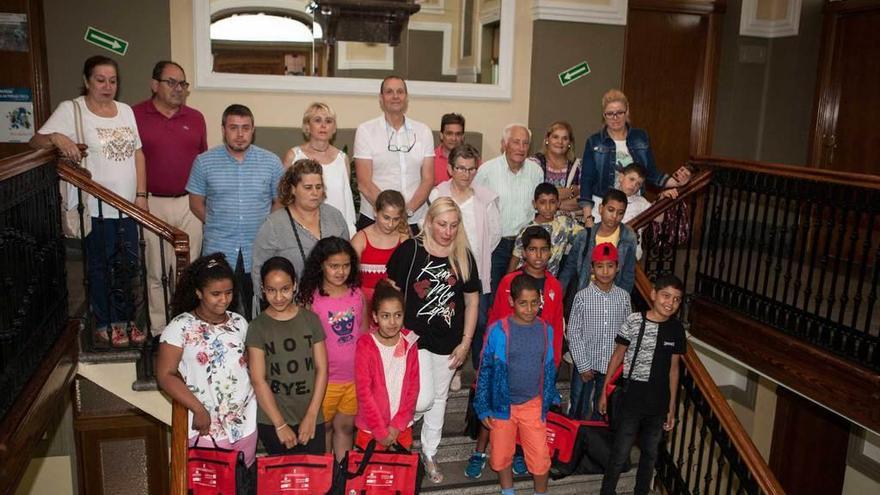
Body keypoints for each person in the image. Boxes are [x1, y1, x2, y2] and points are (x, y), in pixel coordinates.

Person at [31, 55, 147, 348]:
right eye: (100, 80)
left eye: (113, 80)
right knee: (102, 266)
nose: (107, 86)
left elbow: (138, 154)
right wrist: (57, 136)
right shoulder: (72, 110)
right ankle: (107, 322)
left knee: (127, 266)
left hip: (128, 208)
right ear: (86, 81)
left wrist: (141, 196)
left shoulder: (125, 111)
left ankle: (127, 319)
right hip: (95, 206)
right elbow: (35, 141)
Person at [385, 198, 481, 483]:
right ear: (429, 221)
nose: (448, 231)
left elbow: (472, 302)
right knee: (424, 397)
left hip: (450, 340)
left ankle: (429, 452)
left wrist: (466, 342)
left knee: (439, 399)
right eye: (442, 224)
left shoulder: (464, 254)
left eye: (453, 225)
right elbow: (389, 293)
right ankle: (394, 430)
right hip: (414, 338)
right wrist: (391, 333)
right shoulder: (411, 250)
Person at [467, 226, 563, 479]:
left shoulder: (554, 285)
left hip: (534, 365)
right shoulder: (509, 283)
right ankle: (479, 452)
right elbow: (494, 319)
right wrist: (486, 361)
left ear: (550, 252)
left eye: (544, 249)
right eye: (533, 249)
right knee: (496, 410)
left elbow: (554, 328)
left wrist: (551, 371)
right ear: (524, 251)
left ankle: (519, 453)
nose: (539, 255)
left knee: (528, 416)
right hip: (503, 360)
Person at [156, 253, 257, 466]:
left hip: (244, 421)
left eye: (228, 293)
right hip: (205, 424)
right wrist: (198, 409)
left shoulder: (239, 322)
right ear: (199, 293)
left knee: (242, 484)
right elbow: (165, 375)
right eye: (216, 294)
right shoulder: (180, 326)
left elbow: (247, 366)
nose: (224, 299)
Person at [187, 104, 284, 320]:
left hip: (258, 247)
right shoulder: (204, 162)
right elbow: (195, 202)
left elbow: (279, 201)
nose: (240, 135)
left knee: (257, 308)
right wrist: (216, 223)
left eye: (245, 128)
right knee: (217, 309)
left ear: (253, 130)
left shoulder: (271, 162)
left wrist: (266, 226)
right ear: (223, 130)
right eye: (233, 128)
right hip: (218, 246)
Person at [133, 60, 207, 334]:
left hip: (190, 203)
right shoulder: (135, 115)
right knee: (156, 269)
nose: (179, 89)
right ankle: (160, 330)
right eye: (171, 82)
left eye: (183, 84)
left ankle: (184, 326)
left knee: (188, 268)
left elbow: (203, 161)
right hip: (152, 202)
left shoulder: (196, 118)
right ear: (155, 85)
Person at [598, 275, 687, 495]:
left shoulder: (676, 330)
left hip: (658, 404)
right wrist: (603, 392)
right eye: (666, 296)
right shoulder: (634, 320)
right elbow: (617, 356)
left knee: (649, 457)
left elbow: (674, 370)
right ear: (654, 294)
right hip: (632, 399)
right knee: (619, 454)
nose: (670, 303)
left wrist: (672, 407)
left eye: (676, 299)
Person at [474, 274, 560, 495]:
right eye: (523, 303)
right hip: (503, 406)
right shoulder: (497, 330)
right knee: (501, 454)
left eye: (535, 303)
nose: (530, 308)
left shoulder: (545, 330)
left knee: (540, 456)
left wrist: (550, 395)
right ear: (512, 302)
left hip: (533, 403)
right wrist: (483, 405)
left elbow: (549, 366)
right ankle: (507, 491)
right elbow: (485, 370)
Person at [429, 142, 501, 391]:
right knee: (449, 318)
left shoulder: (485, 198)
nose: (465, 174)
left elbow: (494, 235)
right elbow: (429, 228)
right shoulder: (438, 194)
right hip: (445, 266)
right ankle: (452, 369)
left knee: (476, 320)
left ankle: (467, 364)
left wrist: (474, 257)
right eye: (460, 168)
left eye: (471, 169)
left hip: (475, 268)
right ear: (450, 169)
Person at [247, 256, 329, 455]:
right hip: (273, 420)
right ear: (263, 289)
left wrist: (311, 416)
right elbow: (258, 381)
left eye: (284, 289)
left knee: (314, 481)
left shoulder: (310, 320)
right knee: (281, 483)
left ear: (295, 285)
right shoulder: (257, 327)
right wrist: (280, 424)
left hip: (311, 416)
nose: (278, 297)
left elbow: (322, 369)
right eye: (271, 290)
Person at [296, 237, 367, 461]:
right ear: (321, 265)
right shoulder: (310, 298)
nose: (340, 272)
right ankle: (325, 477)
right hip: (323, 382)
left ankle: (342, 477)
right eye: (334, 266)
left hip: (353, 379)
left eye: (346, 265)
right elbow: (304, 343)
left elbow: (364, 336)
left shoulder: (357, 294)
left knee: (345, 429)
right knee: (323, 429)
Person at [579, 89, 692, 225]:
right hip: (602, 205)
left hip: (632, 206)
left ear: (627, 112)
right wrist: (587, 217)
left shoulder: (640, 137)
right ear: (604, 115)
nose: (615, 118)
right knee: (602, 246)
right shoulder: (594, 141)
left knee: (631, 244)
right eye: (610, 114)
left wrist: (677, 183)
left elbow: (650, 172)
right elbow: (587, 180)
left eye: (620, 112)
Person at [252, 159, 350, 293]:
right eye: (308, 187)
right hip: (290, 306)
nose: (315, 193)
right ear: (293, 189)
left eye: (319, 187)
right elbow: (259, 271)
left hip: (333, 302)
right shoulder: (274, 225)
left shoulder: (335, 216)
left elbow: (348, 259)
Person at [354, 76, 434, 232]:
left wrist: (406, 212)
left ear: (406, 97)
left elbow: (428, 179)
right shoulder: (366, 131)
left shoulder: (423, 131)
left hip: (415, 219)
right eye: (389, 92)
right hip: (375, 220)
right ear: (381, 98)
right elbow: (364, 183)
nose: (395, 96)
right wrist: (390, 214)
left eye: (400, 91)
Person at [473, 123, 543, 299]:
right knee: (490, 298)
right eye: (516, 142)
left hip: (524, 246)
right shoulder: (487, 171)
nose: (521, 148)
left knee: (520, 298)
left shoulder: (536, 172)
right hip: (495, 245)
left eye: (525, 143)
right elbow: (476, 208)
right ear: (504, 144)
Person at [567, 243, 631, 420]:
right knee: (578, 406)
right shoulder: (582, 297)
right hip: (585, 365)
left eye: (610, 266)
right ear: (592, 268)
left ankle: (595, 445)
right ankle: (575, 444)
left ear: (617, 268)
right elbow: (573, 332)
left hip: (610, 367)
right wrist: (582, 364)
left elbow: (627, 335)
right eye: (600, 266)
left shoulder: (624, 297)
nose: (605, 271)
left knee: (602, 410)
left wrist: (620, 364)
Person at [354, 280, 420, 450]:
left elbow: (413, 387)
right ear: (375, 316)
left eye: (398, 315)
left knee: (400, 474)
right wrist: (380, 430)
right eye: (385, 316)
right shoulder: (365, 345)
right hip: (371, 428)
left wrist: (397, 425)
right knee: (371, 475)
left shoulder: (410, 341)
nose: (392, 322)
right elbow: (364, 392)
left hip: (401, 426)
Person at [282, 102, 357, 236]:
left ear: (334, 128)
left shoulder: (342, 158)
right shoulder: (294, 156)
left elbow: (346, 199)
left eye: (328, 121)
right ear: (307, 126)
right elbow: (284, 197)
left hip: (337, 231)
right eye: (317, 120)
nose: (323, 126)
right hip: (301, 231)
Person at [560, 189, 638, 294]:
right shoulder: (584, 235)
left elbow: (628, 274)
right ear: (601, 209)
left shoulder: (628, 237)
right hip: (585, 291)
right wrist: (560, 289)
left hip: (613, 294)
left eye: (620, 213)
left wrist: (622, 299)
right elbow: (570, 266)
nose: (614, 216)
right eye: (610, 210)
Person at [507, 182, 584, 277]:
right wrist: (507, 285)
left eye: (552, 202)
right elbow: (515, 260)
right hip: (525, 281)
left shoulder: (565, 223)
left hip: (548, 284)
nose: (548, 207)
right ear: (534, 204)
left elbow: (587, 234)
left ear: (558, 203)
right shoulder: (526, 230)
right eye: (542, 202)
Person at [351, 189, 410, 304]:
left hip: (392, 305)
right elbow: (350, 276)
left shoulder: (403, 240)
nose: (390, 224)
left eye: (396, 219)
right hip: (363, 302)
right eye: (386, 217)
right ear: (375, 212)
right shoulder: (360, 239)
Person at [530, 121, 581, 218]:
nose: (560, 142)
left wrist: (547, 204)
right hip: (539, 227)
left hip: (569, 226)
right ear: (547, 139)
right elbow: (531, 196)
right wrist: (571, 192)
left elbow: (582, 201)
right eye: (555, 137)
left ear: (570, 143)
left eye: (565, 138)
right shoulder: (534, 164)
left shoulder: (578, 166)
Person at [433, 113, 466, 185]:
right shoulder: (430, 159)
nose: (454, 138)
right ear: (441, 135)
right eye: (449, 134)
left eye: (458, 134)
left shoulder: (473, 160)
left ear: (463, 137)